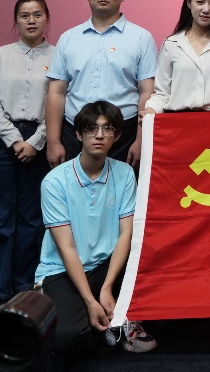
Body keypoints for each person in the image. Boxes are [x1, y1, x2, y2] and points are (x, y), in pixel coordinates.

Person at [36, 101, 156, 359]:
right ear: (79, 135)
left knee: (146, 249)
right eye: (91, 129)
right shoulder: (54, 181)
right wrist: (91, 301)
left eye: (107, 129)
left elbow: (126, 234)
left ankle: (122, 319)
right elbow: (66, 248)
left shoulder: (124, 173)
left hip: (107, 267)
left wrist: (106, 287)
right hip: (64, 269)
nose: (99, 135)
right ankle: (102, 318)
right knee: (68, 337)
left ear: (117, 136)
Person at [46, 0, 157, 168]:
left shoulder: (142, 38)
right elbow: (56, 92)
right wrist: (53, 142)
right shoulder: (68, 38)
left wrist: (141, 140)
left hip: (123, 135)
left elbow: (147, 92)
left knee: (121, 188)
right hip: (74, 133)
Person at [0, 0, 54, 306]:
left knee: (31, 219)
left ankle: (25, 287)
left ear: (46, 19)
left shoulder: (58, 55)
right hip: (2, 141)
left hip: (40, 139)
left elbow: (59, 101)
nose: (31, 20)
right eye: (24, 15)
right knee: (1, 220)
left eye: (37, 14)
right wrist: (14, 140)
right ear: (16, 21)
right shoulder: (0, 55)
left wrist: (36, 141)